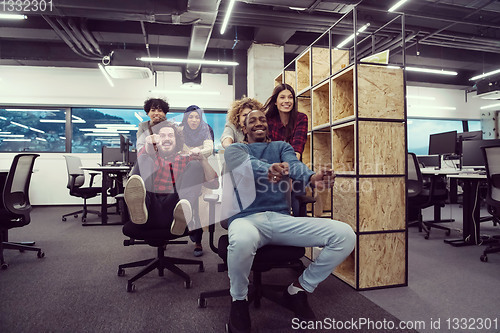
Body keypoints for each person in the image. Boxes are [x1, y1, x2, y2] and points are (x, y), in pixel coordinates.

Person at [223, 109, 355, 333]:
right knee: (242, 242)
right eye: (251, 121)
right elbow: (249, 165)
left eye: (262, 119)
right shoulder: (236, 149)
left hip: (281, 219)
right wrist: (269, 168)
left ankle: (299, 288)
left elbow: (293, 165)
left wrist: (312, 177)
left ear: (268, 125)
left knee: (344, 235)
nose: (258, 123)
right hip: (246, 219)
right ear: (243, 129)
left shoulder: (281, 147)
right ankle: (239, 300)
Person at [124, 121, 218, 240]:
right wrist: (149, 144)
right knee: (143, 158)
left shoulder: (185, 159)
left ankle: (183, 213)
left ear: (177, 140)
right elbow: (146, 153)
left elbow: (214, 184)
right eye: (162, 136)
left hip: (174, 213)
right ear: (156, 140)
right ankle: (138, 209)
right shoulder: (150, 157)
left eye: (170, 135)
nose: (166, 138)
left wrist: (203, 160)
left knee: (195, 165)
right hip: (148, 212)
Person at [264, 83, 309, 216]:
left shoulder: (301, 118)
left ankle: (300, 224)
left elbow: (297, 149)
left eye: (290, 97)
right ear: (276, 102)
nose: (287, 101)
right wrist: (282, 174)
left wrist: (290, 173)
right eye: (282, 97)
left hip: (293, 165)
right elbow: (269, 150)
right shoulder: (268, 120)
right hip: (274, 167)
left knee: (297, 189)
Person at [180, 105, 215, 256]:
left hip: (200, 173)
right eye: (191, 117)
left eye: (197, 117)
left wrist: (191, 153)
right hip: (182, 172)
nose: (194, 120)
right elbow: (177, 150)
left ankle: (198, 241)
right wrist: (195, 152)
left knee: (196, 205)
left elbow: (209, 150)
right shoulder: (179, 130)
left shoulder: (206, 129)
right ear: (185, 118)